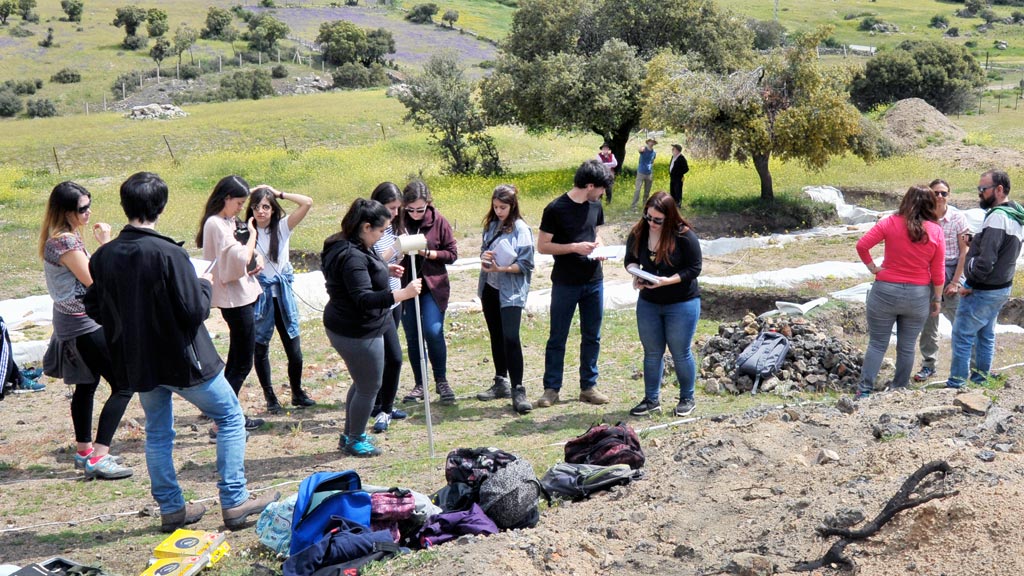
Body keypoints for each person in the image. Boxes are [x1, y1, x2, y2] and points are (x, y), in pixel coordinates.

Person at [85, 172, 279, 532]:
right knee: (231, 418)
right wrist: (204, 285)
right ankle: (235, 501)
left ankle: (172, 509)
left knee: (158, 432)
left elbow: (94, 306)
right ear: (161, 206)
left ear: (125, 205)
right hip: (185, 360)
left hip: (139, 361)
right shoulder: (170, 253)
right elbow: (194, 311)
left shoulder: (104, 255)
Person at [39, 181, 134, 480]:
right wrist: (106, 243)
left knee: (87, 384)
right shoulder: (64, 242)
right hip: (83, 323)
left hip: (73, 322)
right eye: (82, 209)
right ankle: (99, 456)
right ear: (65, 211)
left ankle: (84, 451)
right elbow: (97, 279)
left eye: (89, 205)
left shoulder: (59, 239)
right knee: (124, 384)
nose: (88, 212)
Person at [322, 198, 422, 457]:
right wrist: (404, 294)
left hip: (350, 324)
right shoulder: (352, 256)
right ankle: (356, 438)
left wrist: (382, 269)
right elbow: (364, 299)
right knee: (369, 386)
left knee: (361, 382)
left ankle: (349, 434)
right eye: (380, 231)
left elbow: (359, 275)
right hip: (357, 330)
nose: (381, 236)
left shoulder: (343, 242)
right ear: (366, 227)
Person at [536, 159, 614, 408]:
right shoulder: (555, 209)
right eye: (601, 188)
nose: (603, 193)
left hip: (594, 280)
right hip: (565, 282)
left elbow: (596, 233)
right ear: (589, 185)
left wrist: (599, 246)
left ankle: (588, 387)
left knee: (592, 335)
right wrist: (573, 248)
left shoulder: (595, 205)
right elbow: (543, 246)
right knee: (558, 336)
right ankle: (551, 388)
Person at [855, 185, 945, 398]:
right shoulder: (935, 231)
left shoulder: (889, 222)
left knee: (877, 344)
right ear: (930, 204)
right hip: (918, 295)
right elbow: (938, 270)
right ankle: (899, 389)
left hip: (885, 291)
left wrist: (873, 268)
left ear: (906, 200)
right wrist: (937, 299)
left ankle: (865, 390)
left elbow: (862, 245)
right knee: (906, 347)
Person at [196, 175, 265, 431]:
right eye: (238, 202)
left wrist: (254, 259)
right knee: (242, 359)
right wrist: (253, 238)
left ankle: (225, 412)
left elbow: (242, 256)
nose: (240, 208)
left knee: (239, 356)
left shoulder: (226, 220)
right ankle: (221, 420)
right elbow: (237, 254)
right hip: (232, 297)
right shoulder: (215, 223)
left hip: (240, 292)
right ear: (226, 199)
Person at [624, 192, 702, 417]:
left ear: (669, 218)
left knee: (680, 351)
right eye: (648, 217)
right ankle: (651, 399)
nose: (652, 223)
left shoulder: (684, 236)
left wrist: (669, 280)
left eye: (658, 220)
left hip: (681, 302)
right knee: (652, 352)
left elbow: (694, 268)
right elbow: (630, 260)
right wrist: (636, 275)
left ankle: (687, 397)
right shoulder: (639, 231)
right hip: (649, 301)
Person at [946, 170, 1024, 388]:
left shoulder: (998, 217)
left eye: (983, 189)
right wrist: (977, 241)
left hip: (983, 288)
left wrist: (969, 283)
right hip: (1001, 287)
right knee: (986, 335)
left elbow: (987, 261)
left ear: (999, 189)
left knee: (962, 335)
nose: (980, 194)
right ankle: (980, 380)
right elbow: (1001, 249)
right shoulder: (1016, 213)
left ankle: (957, 383)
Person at [244, 185, 316, 413]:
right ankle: (270, 397)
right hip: (259, 296)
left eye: (266, 207)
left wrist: (278, 193)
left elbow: (307, 201)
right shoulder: (245, 233)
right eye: (256, 207)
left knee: (294, 349)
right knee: (260, 348)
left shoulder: (283, 228)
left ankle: (297, 392)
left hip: (282, 296)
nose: (261, 212)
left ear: (273, 209)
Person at [475, 184, 535, 414]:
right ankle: (500, 380)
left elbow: (526, 264)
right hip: (489, 287)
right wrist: (485, 257)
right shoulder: (491, 226)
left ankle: (518, 388)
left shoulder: (522, 229)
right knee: (496, 335)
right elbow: (483, 250)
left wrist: (503, 268)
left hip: (511, 290)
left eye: (503, 207)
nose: (499, 211)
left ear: (513, 206)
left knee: (511, 336)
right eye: (496, 206)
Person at [398, 180, 459, 406]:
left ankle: (441, 380)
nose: (415, 214)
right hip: (407, 285)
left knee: (433, 331)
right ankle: (419, 384)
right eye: (410, 209)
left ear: (428, 205)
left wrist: (428, 253)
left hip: (433, 286)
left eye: (420, 210)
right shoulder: (398, 221)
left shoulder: (438, 221)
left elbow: (452, 254)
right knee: (413, 335)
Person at [913, 179, 970, 382]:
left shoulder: (957, 218)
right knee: (929, 323)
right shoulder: (921, 217)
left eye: (943, 193)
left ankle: (967, 366)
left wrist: (956, 281)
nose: (939, 197)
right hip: (927, 274)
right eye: (936, 193)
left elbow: (965, 251)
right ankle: (929, 365)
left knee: (959, 320)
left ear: (949, 195)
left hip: (951, 269)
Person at [368, 183, 410, 433]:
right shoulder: (373, 231)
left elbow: (387, 263)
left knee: (390, 355)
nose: (395, 213)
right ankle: (380, 405)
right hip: (379, 299)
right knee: (389, 356)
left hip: (396, 295)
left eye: (397, 208)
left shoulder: (394, 228)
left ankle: (385, 403)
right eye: (391, 208)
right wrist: (395, 250)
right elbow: (371, 263)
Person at [631, 138, 657, 210]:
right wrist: (641, 148)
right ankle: (634, 205)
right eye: (650, 142)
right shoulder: (643, 150)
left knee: (647, 190)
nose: (651, 143)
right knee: (637, 189)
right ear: (647, 142)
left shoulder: (654, 152)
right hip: (641, 172)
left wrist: (651, 170)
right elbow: (639, 150)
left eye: (653, 142)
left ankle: (645, 205)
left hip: (649, 173)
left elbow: (652, 161)